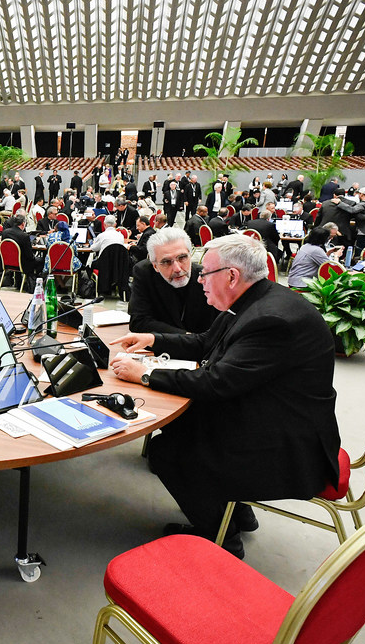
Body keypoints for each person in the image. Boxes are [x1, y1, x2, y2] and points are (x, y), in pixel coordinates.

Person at [109, 235, 341, 559]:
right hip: (274, 411)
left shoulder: (269, 320)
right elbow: (206, 343)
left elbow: (217, 383)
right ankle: (234, 513)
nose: (199, 279)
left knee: (167, 451)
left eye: (205, 273)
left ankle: (222, 540)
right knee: (179, 425)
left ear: (231, 276)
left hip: (290, 442)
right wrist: (151, 338)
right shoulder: (254, 299)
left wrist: (145, 374)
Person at [128, 227, 218, 334]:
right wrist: (185, 338)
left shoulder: (208, 276)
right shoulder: (145, 273)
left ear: (190, 255)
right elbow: (138, 322)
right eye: (166, 262)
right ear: (155, 266)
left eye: (182, 257)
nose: (177, 269)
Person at [336, 186, 365, 255]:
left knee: (361, 253)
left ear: (362, 194)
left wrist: (340, 203)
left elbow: (352, 210)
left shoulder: (364, 204)